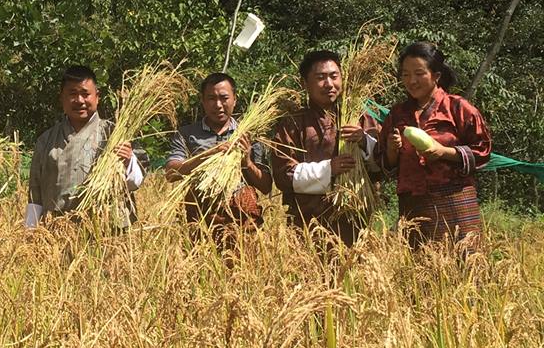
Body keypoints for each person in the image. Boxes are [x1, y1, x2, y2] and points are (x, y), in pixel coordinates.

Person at [375, 42, 491, 247]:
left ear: (436, 75)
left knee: (465, 267)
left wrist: (444, 152)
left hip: (456, 201)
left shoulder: (458, 108)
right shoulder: (397, 114)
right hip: (413, 204)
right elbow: (385, 163)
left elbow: (482, 151)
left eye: (419, 73)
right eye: (405, 74)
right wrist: (393, 150)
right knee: (420, 272)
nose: (412, 80)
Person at [271, 50, 378, 246]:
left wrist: (364, 142)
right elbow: (283, 175)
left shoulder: (360, 117)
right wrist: (329, 169)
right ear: (304, 84)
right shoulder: (292, 123)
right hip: (308, 222)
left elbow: (383, 164)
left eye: (334, 76)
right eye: (320, 78)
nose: (329, 84)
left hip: (357, 220)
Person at [25, 65, 145, 228]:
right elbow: (35, 194)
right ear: (61, 98)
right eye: (72, 94)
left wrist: (128, 160)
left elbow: (135, 183)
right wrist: (30, 232)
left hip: (105, 229)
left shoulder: (114, 134)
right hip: (57, 231)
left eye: (85, 94)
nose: (79, 100)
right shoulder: (46, 141)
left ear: (97, 97)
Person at [165, 72, 272, 242]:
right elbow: (171, 173)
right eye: (211, 99)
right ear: (203, 101)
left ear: (234, 99)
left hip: (243, 214)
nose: (218, 105)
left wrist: (247, 162)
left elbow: (266, 186)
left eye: (224, 98)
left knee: (245, 265)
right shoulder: (187, 134)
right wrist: (208, 155)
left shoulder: (249, 136)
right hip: (201, 213)